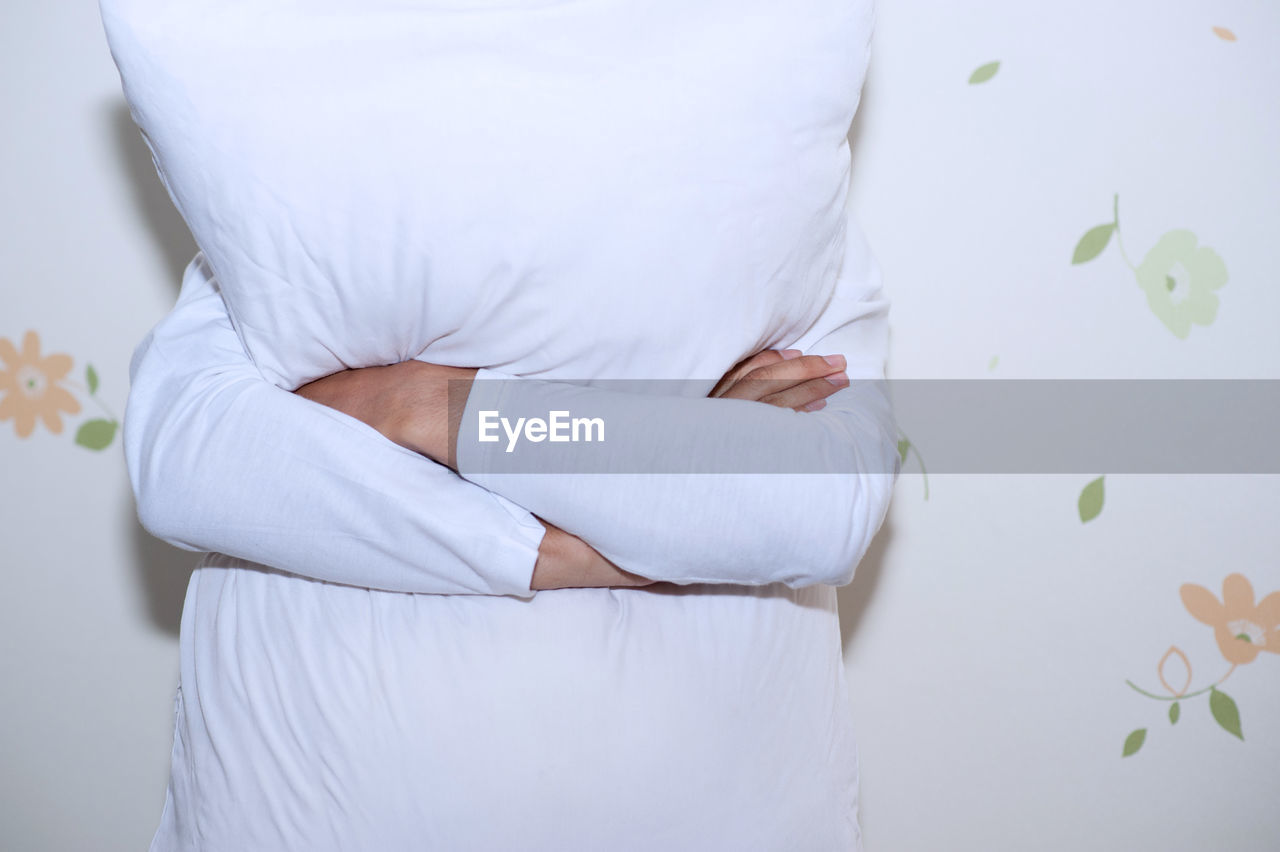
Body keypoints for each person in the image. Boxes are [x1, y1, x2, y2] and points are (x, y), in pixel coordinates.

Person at [102, 0, 899, 848]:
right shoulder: (309, 244)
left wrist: (434, 409)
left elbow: (815, 504)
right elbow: (188, 464)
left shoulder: (765, 226)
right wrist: (595, 523)